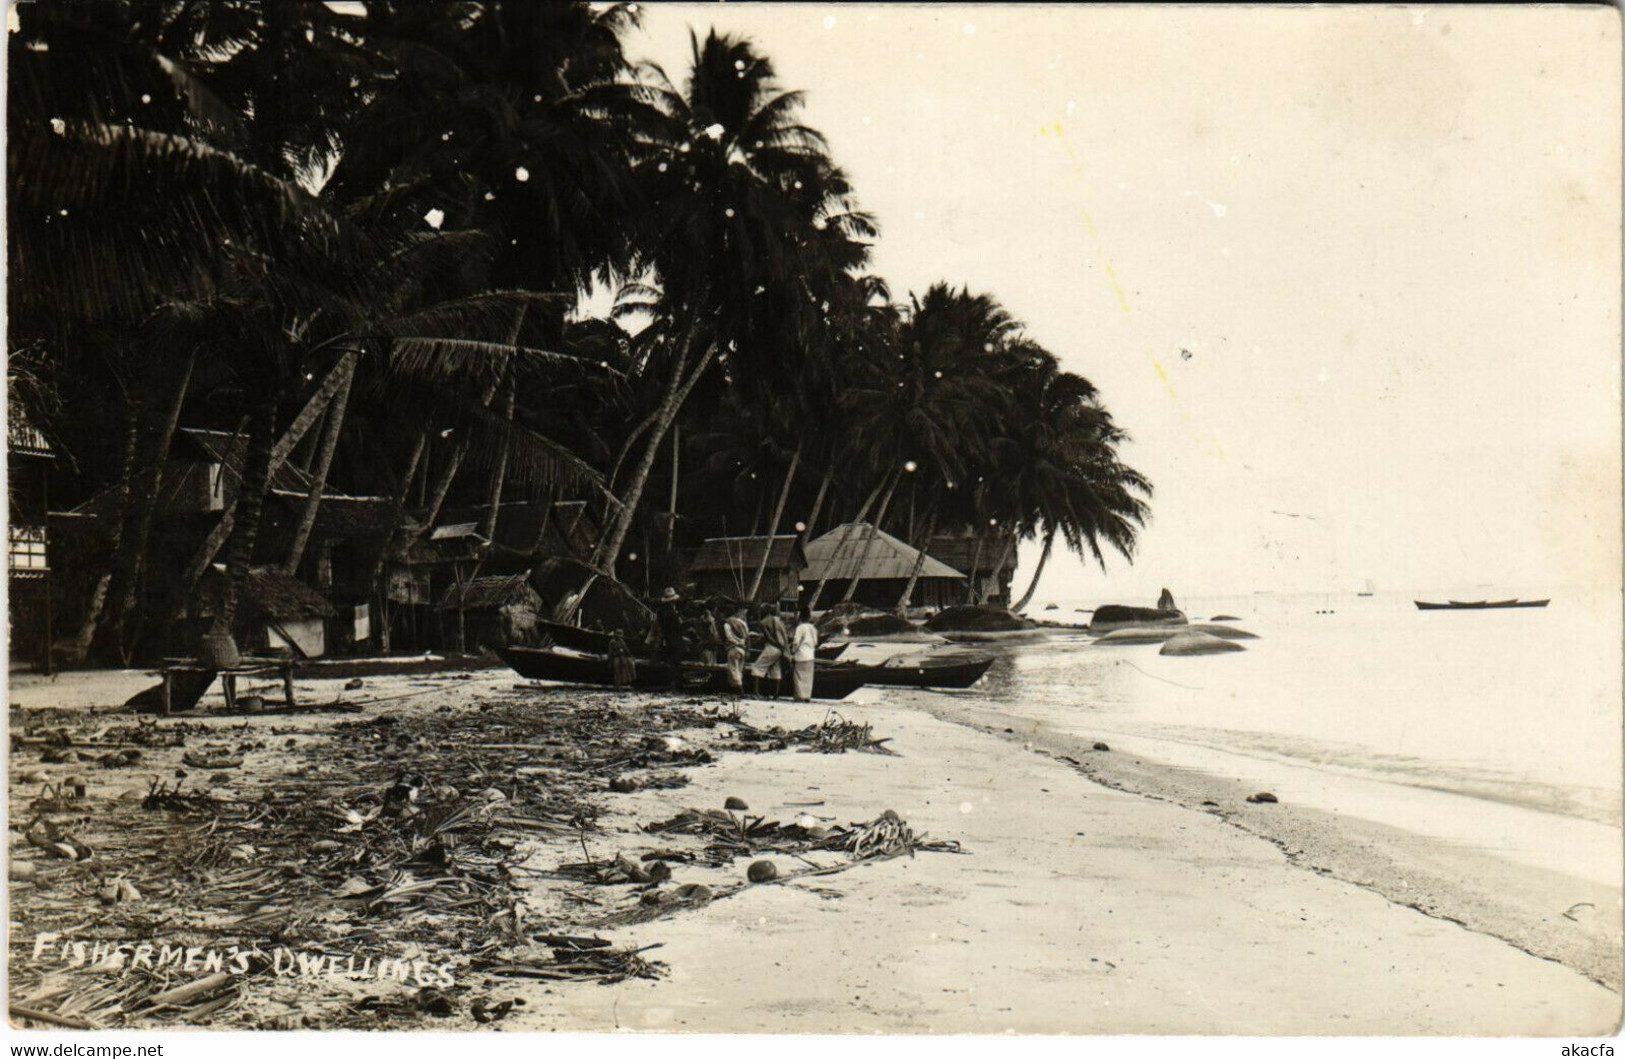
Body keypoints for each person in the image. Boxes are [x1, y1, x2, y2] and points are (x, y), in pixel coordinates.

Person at [750, 603, 792, 698]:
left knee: (756, 667)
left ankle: (756, 693)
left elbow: (769, 637)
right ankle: (775, 695)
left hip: (772, 647)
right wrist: (782, 647)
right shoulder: (778, 621)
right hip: (780, 649)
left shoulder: (764, 622)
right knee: (775, 670)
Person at [656, 587, 686, 688]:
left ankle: (673, 683)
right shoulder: (669, 612)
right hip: (674, 638)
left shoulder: (663, 611)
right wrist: (685, 624)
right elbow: (675, 627)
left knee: (672, 661)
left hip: (669, 638)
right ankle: (675, 683)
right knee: (675, 661)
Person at [790, 603, 819, 702]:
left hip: (801, 654)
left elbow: (796, 642)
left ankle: (799, 697)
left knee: (798, 676)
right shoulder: (813, 628)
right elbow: (815, 642)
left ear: (800, 616)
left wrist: (792, 652)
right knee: (808, 677)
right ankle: (807, 696)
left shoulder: (800, 628)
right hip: (810, 654)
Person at [723, 605, 750, 694]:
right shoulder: (742, 623)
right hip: (742, 648)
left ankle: (740, 691)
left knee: (733, 670)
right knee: (739, 670)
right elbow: (747, 636)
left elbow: (729, 637)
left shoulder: (727, 623)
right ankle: (736, 691)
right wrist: (747, 648)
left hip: (733, 648)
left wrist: (735, 642)